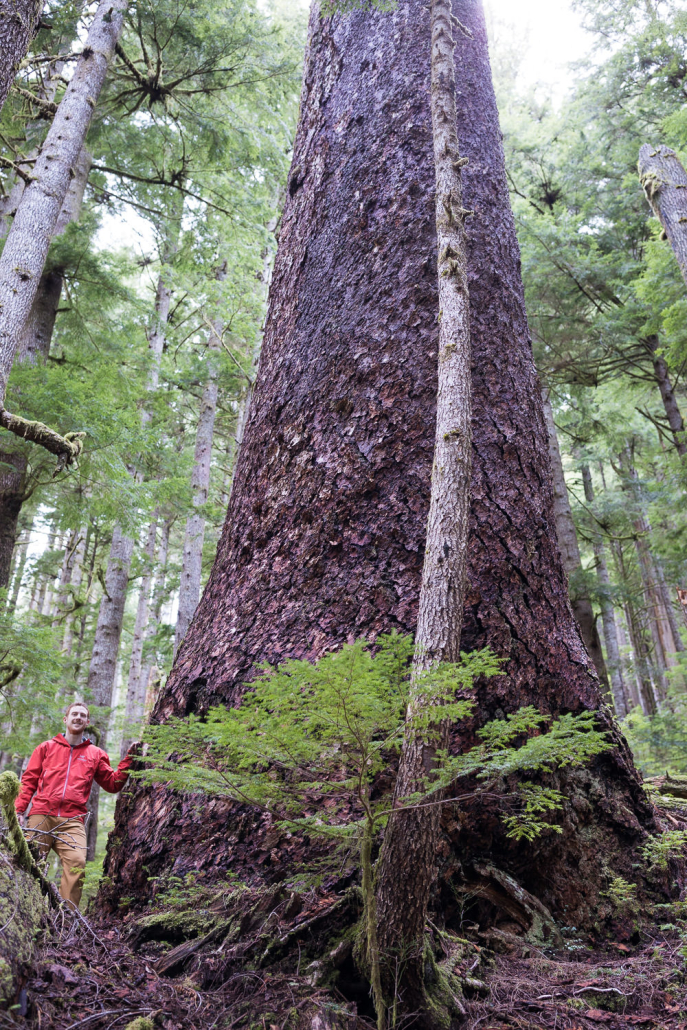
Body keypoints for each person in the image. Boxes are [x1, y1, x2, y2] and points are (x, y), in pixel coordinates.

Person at [15, 701, 134, 909]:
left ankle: (66, 919)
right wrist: (19, 809)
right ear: (66, 719)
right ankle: (26, 910)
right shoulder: (46, 748)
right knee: (30, 862)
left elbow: (112, 783)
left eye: (82, 715)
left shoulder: (95, 754)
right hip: (41, 814)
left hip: (72, 820)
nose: (78, 718)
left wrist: (129, 760)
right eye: (74, 714)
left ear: (87, 722)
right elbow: (29, 780)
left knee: (77, 864)